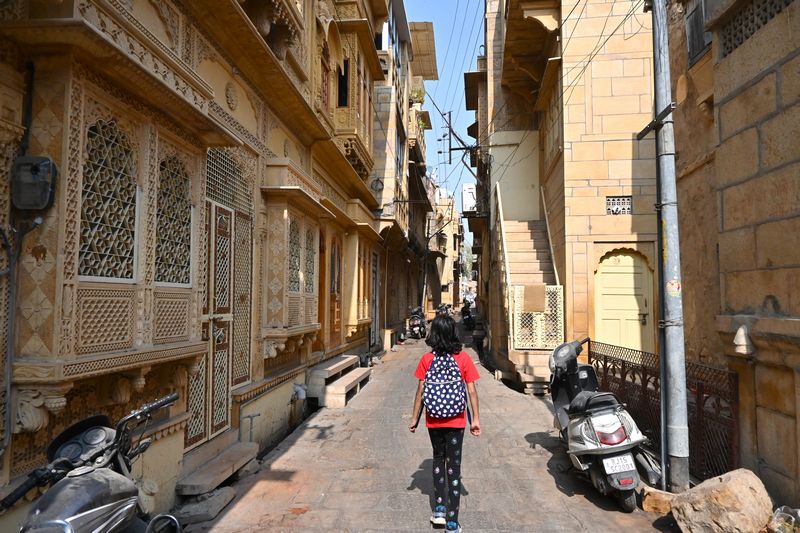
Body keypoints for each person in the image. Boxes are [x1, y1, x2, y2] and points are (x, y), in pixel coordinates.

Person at [408, 314, 481, 533]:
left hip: (434, 420)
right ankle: (451, 521)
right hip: (457, 420)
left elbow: (420, 391)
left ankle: (438, 509)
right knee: (454, 467)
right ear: (453, 333)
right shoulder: (463, 359)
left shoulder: (427, 359)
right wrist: (475, 419)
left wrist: (414, 419)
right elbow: (471, 390)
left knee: (438, 459)